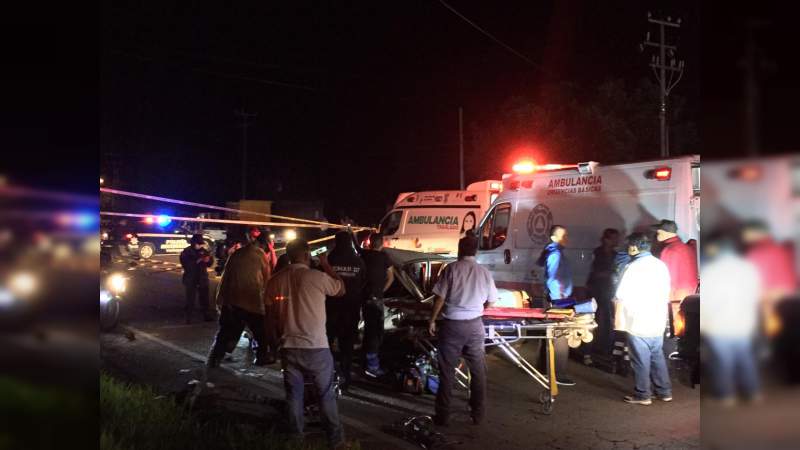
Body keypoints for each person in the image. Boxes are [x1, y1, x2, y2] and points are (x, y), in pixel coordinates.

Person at [265, 239, 346, 448]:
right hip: (316, 346)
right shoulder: (317, 277)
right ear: (307, 254)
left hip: (289, 346)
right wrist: (326, 263)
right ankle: (335, 440)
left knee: (294, 395)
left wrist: (274, 342)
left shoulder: (275, 280)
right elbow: (341, 290)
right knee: (325, 394)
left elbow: (269, 316)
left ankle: (296, 438)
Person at [428, 232, 498, 426]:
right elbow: (492, 300)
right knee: (478, 371)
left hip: (452, 325)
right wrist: (478, 310)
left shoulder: (451, 269)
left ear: (460, 250)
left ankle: (442, 416)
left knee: (447, 371)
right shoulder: (484, 272)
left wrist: (432, 319)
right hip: (475, 325)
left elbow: (439, 298)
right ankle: (478, 414)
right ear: (475, 251)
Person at [702, 228, 763, 405]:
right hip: (744, 321)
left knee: (722, 360)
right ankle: (753, 392)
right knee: (746, 358)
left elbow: (708, 301)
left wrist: (704, 324)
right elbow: (755, 294)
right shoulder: (748, 268)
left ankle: (725, 395)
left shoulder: (712, 270)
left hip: (720, 323)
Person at [613, 232, 673, 405]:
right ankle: (664, 391)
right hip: (657, 318)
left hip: (637, 319)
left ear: (634, 247)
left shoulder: (633, 267)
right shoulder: (660, 265)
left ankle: (643, 394)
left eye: (629, 246)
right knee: (657, 355)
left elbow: (620, 294)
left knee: (640, 358)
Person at [207, 233, 273, 367]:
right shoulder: (260, 255)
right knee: (261, 332)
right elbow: (267, 280)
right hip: (251, 299)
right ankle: (261, 357)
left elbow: (226, 277)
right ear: (265, 245)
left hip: (231, 300)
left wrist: (221, 300)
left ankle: (214, 358)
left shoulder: (237, 254)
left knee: (225, 332)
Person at [325, 231, 367, 390]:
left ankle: (326, 376)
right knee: (347, 345)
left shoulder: (330, 259)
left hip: (332, 309)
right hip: (351, 309)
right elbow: (363, 281)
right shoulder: (358, 261)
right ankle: (345, 378)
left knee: (327, 343)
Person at [536, 225, 575, 386]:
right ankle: (558, 374)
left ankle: (543, 369)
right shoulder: (555, 254)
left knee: (549, 333)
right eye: (562, 235)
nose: (566, 238)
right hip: (558, 300)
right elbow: (552, 278)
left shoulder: (552, 251)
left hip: (555, 297)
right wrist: (559, 301)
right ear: (553, 238)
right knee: (560, 335)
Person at [652, 219, 699, 334]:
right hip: (689, 298)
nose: (656, 235)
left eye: (658, 232)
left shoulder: (669, 250)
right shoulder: (686, 248)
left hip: (674, 300)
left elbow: (665, 280)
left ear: (664, 232)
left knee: (675, 332)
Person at [584, 228, 621, 364]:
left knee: (607, 322)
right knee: (593, 321)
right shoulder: (597, 253)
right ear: (606, 239)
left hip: (608, 293)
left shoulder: (615, 255)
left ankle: (603, 349)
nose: (617, 240)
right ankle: (589, 351)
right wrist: (609, 274)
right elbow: (594, 272)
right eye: (614, 238)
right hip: (596, 292)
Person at [361, 232, 394, 378]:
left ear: (370, 242)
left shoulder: (364, 255)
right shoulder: (385, 258)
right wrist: (381, 291)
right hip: (376, 300)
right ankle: (372, 367)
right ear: (382, 243)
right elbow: (391, 278)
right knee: (375, 333)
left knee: (369, 331)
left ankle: (366, 361)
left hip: (365, 298)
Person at [179, 234, 215, 323]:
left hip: (202, 277)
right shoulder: (187, 251)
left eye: (201, 243)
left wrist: (208, 260)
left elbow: (210, 263)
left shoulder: (204, 251)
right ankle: (188, 317)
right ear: (193, 243)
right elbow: (186, 264)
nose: (200, 245)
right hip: (191, 277)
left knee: (205, 298)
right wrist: (198, 260)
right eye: (198, 243)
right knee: (190, 298)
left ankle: (207, 315)